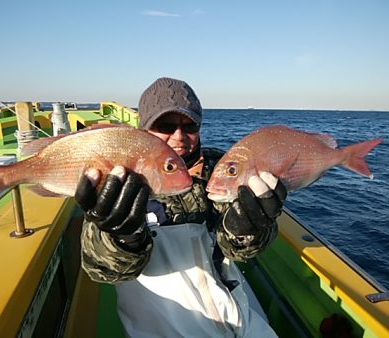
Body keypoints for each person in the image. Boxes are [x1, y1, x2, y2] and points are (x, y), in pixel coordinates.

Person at [75, 77, 287, 337]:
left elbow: (241, 251)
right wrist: (122, 236)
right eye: (165, 125)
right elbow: (102, 269)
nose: (179, 136)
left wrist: (250, 228)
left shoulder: (221, 169)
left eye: (190, 125)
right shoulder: (119, 177)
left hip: (238, 318)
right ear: (145, 129)